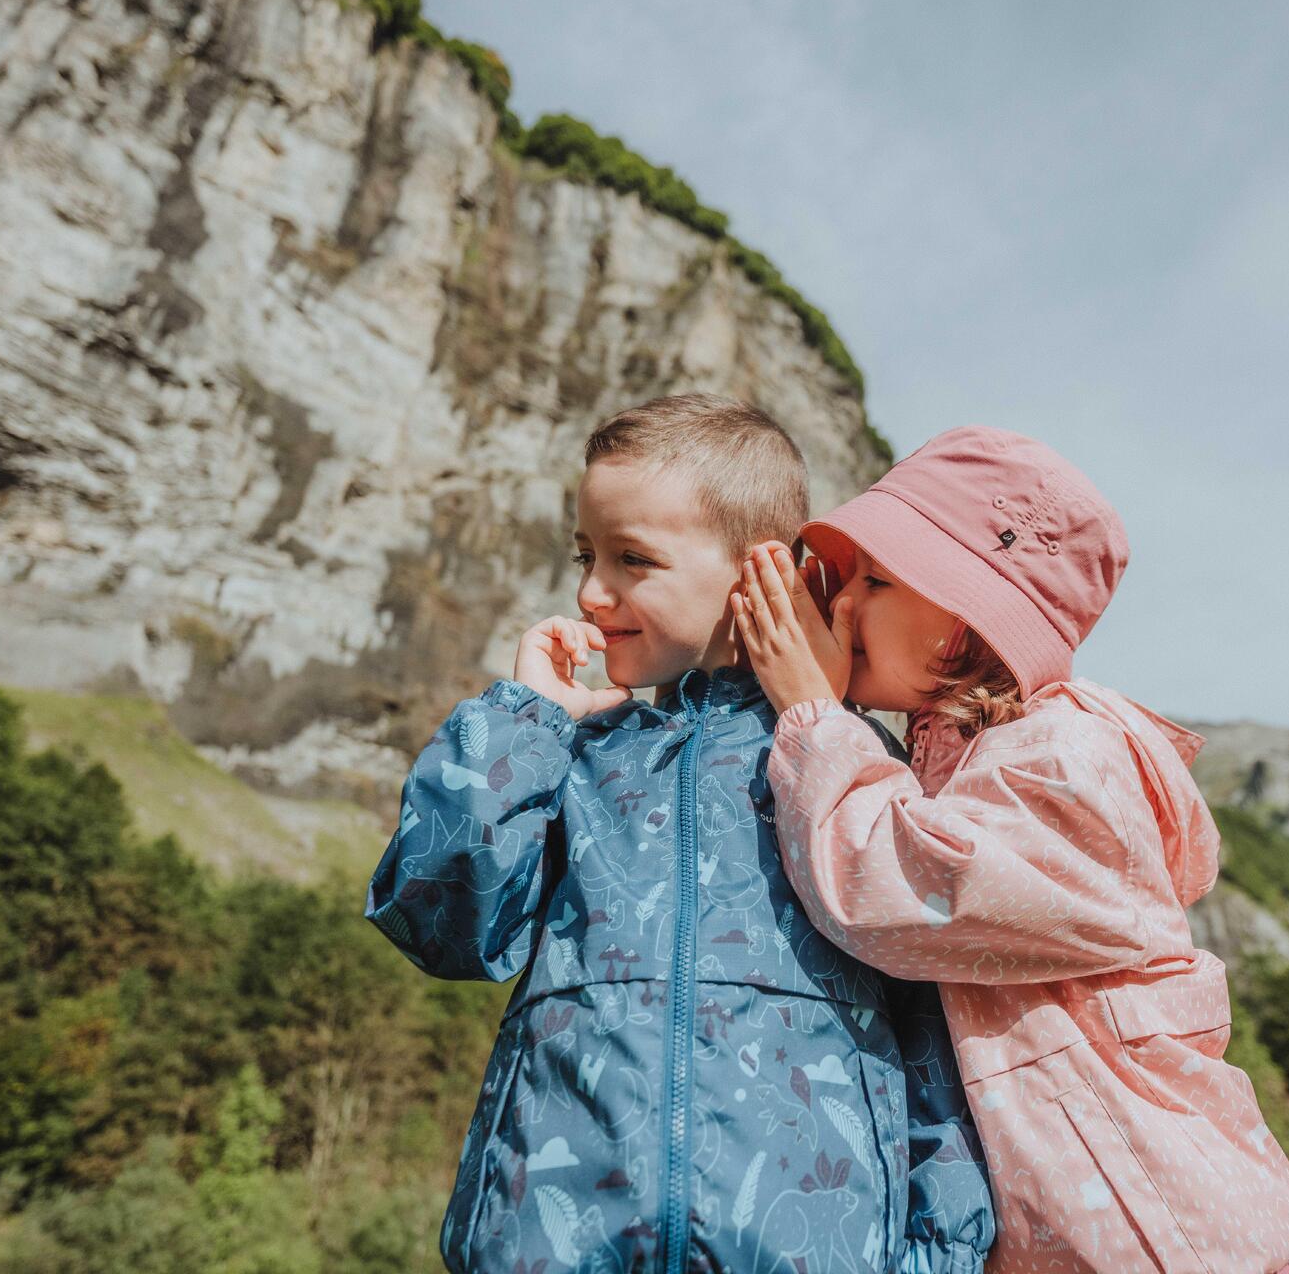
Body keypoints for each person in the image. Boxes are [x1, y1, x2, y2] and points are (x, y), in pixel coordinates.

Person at [365, 395, 995, 1274]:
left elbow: (933, 1023)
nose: (590, 592)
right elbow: (441, 922)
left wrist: (940, 1254)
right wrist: (523, 720)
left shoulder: (849, 768)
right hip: (548, 1245)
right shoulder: (569, 756)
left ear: (758, 570)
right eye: (586, 556)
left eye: (633, 559)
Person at [730, 425, 1289, 1274]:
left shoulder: (1064, 759)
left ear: (971, 621)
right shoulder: (961, 763)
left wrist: (809, 713)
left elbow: (895, 890)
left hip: (1166, 1239)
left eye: (876, 580)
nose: (842, 604)